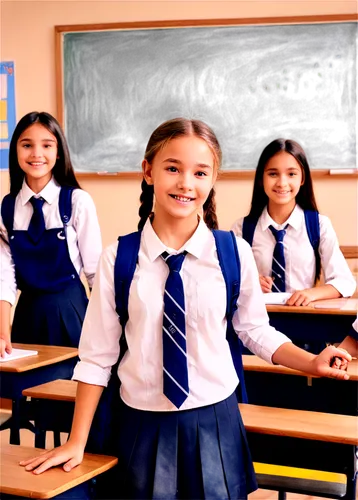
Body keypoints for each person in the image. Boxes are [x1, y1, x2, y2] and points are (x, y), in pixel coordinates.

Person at [19, 118, 351, 500]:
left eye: (200, 172)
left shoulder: (233, 252)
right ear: (148, 171)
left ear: (213, 180)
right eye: (172, 168)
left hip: (215, 423)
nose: (185, 183)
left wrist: (311, 363)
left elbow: (255, 331)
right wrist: (77, 442)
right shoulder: (119, 258)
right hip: (140, 427)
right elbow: (97, 358)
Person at [0, 111, 102, 354]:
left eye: (47, 145)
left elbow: (95, 273)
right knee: (26, 390)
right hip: (27, 318)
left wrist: (106, 330)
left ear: (58, 152)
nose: (36, 154)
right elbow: (5, 277)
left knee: (72, 388)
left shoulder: (77, 201)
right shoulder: (7, 208)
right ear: (16, 150)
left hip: (71, 313)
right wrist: (4, 330)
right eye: (27, 145)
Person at [231, 137, 356, 306]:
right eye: (273, 173)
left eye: (291, 174)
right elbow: (227, 282)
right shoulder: (241, 229)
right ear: (261, 178)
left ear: (302, 179)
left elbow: (345, 282)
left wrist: (311, 294)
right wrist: (248, 283)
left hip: (303, 317)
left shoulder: (319, 225)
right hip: (255, 321)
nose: (282, 183)